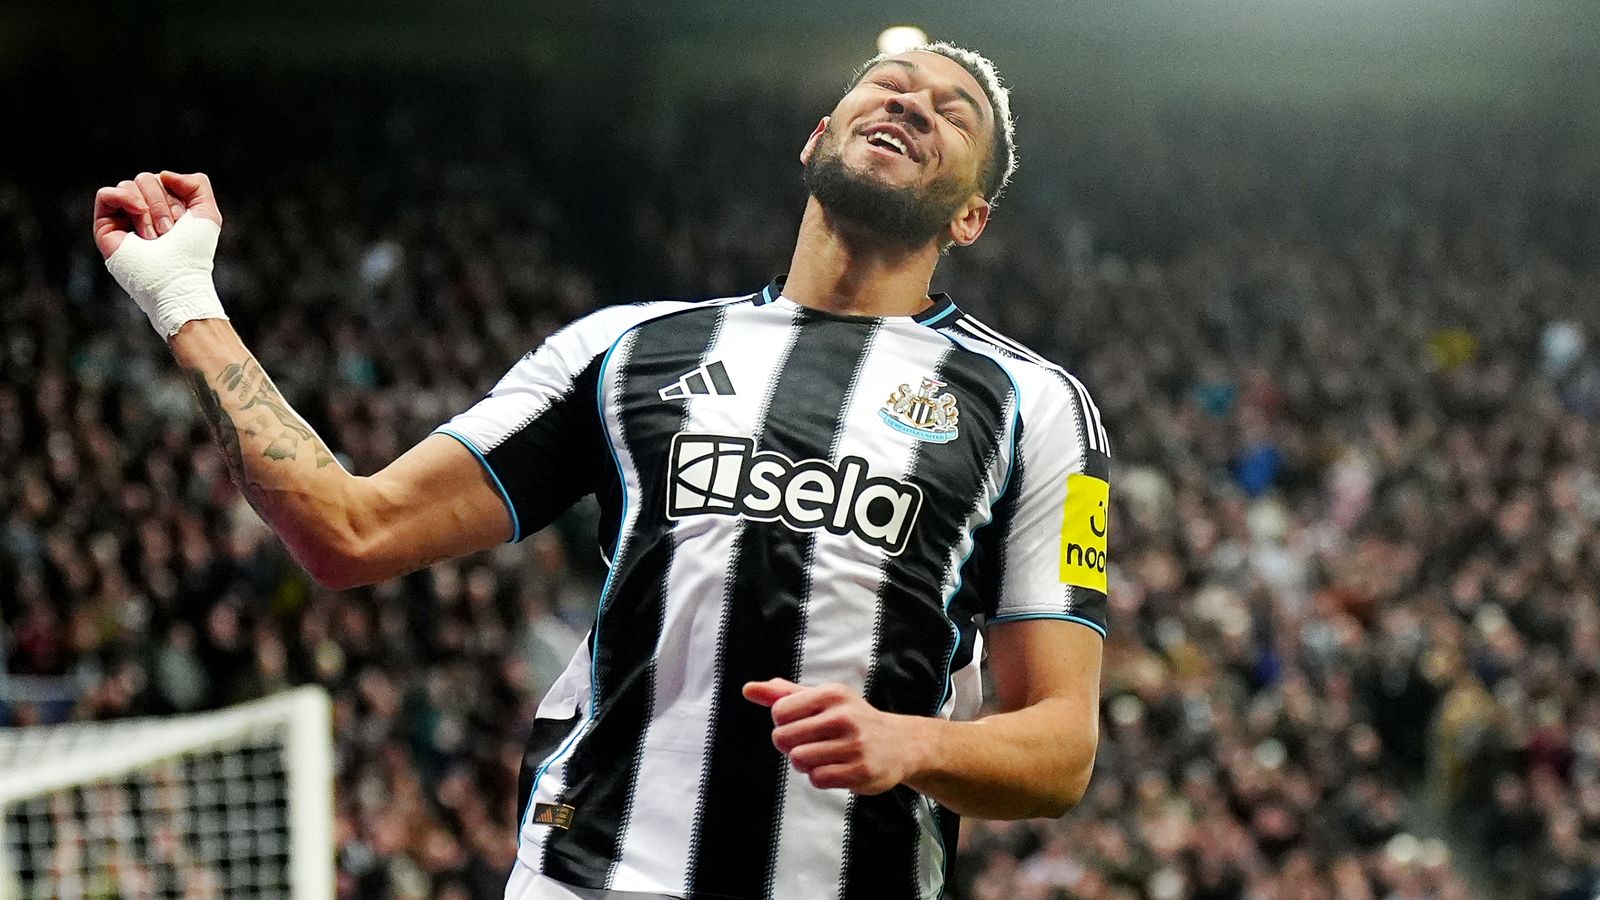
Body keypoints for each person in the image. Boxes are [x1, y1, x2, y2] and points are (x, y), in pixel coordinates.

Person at [92, 42, 1108, 900]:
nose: (912, 103)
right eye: (889, 85)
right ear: (815, 139)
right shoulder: (624, 350)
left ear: (970, 218)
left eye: (954, 113)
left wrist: (913, 746)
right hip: (591, 880)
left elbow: (1059, 750)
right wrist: (184, 300)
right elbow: (350, 531)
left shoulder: (1037, 407)